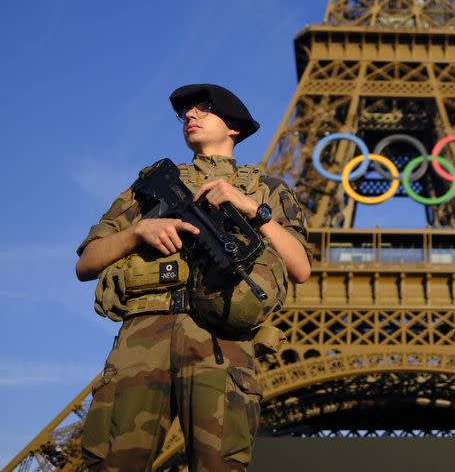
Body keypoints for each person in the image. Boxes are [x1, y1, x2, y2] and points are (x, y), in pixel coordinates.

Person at [75, 83, 311, 471]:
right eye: (186, 112)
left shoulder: (267, 189)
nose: (191, 115)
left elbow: (300, 267)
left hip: (221, 338)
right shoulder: (147, 188)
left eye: (204, 108)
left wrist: (253, 210)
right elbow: (86, 263)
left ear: (234, 126)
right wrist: (137, 232)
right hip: (142, 335)